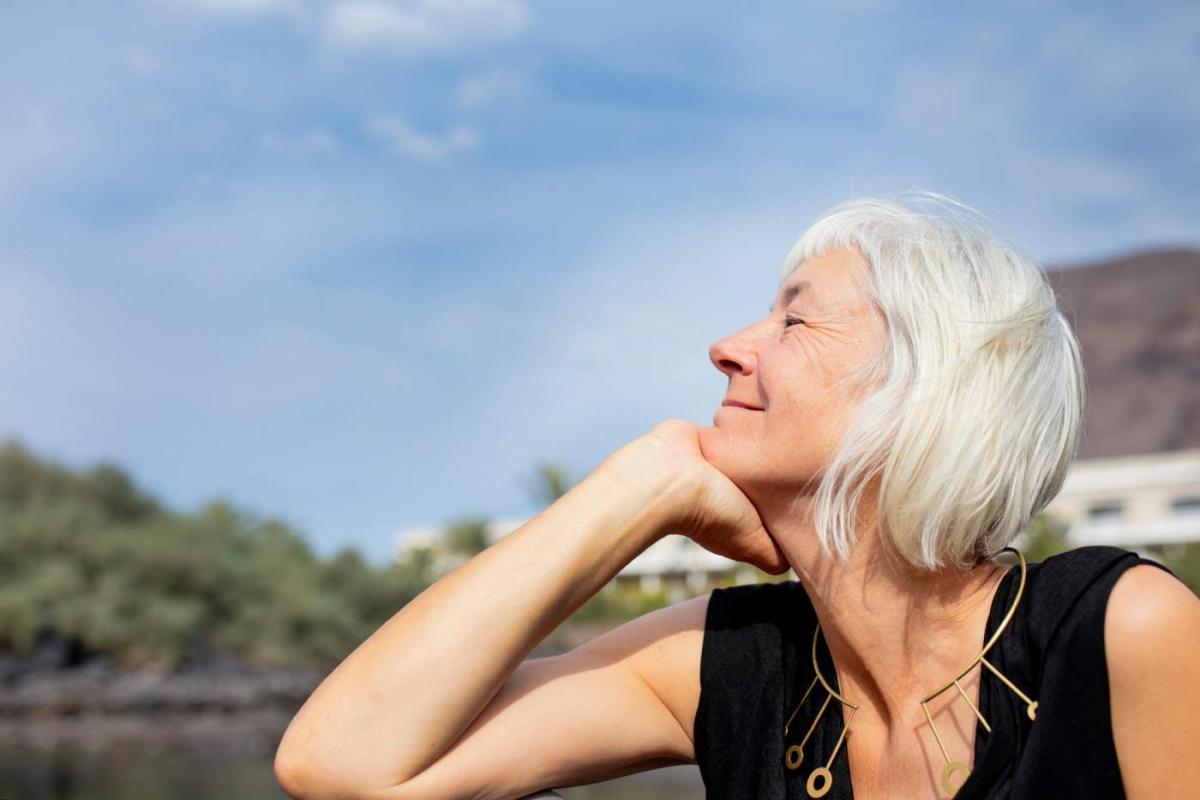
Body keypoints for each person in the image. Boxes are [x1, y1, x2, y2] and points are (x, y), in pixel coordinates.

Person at [273, 192, 1200, 799]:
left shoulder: (1120, 631)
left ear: (924, 391)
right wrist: (643, 485)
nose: (728, 345)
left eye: (794, 318)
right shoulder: (733, 667)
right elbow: (336, 767)